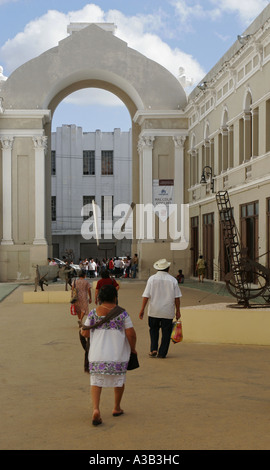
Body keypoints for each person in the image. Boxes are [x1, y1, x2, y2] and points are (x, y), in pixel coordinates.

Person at [81, 285, 137, 426]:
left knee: (96, 382)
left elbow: (86, 333)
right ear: (115, 297)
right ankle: (116, 407)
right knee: (119, 380)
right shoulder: (123, 314)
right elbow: (130, 333)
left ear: (99, 298)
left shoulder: (93, 313)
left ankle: (95, 409)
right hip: (116, 354)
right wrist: (133, 349)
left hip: (97, 354)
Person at [139, 258, 181, 358]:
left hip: (154, 311)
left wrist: (142, 310)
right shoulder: (173, 280)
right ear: (168, 268)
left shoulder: (151, 279)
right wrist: (178, 311)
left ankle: (153, 349)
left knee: (153, 330)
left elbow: (146, 296)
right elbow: (177, 298)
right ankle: (162, 353)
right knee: (166, 333)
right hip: (167, 311)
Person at [72, 269, 92, 372]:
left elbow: (72, 288)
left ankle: (80, 319)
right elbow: (89, 289)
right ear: (84, 275)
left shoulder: (75, 281)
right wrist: (90, 297)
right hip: (84, 296)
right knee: (84, 309)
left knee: (79, 309)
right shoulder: (86, 281)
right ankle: (81, 319)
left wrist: (72, 296)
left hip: (76, 296)